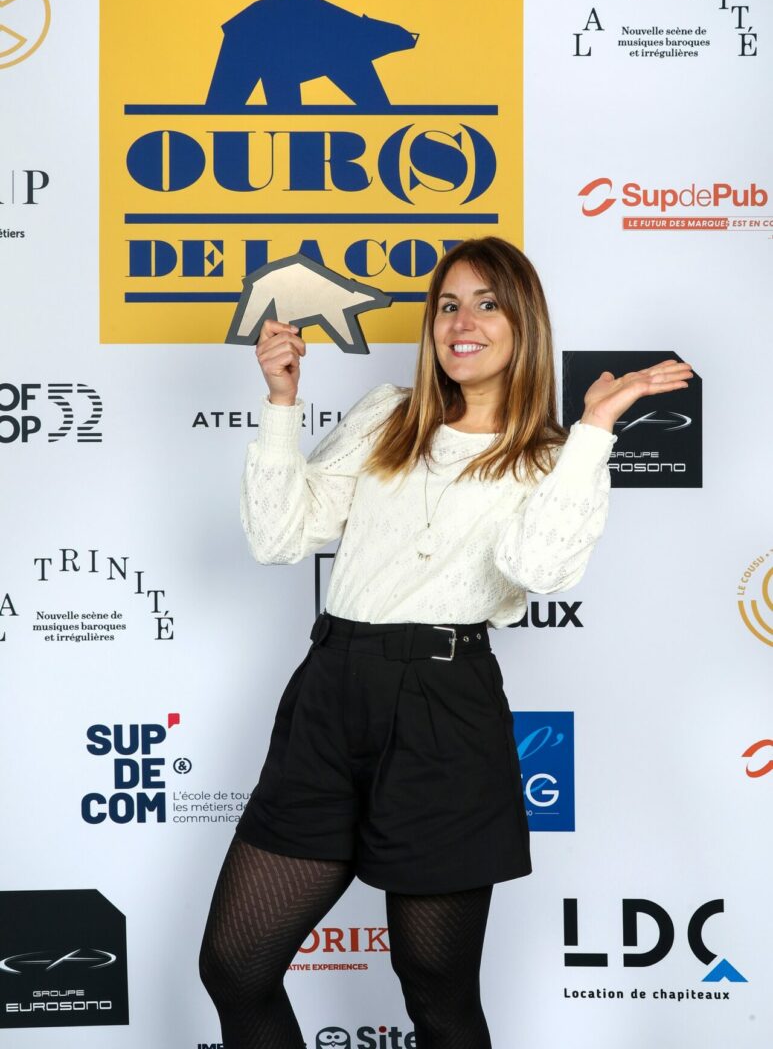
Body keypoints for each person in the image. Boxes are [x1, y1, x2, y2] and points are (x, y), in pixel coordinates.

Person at [199, 236, 693, 1048]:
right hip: (331, 693)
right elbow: (279, 537)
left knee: (436, 991)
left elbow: (538, 568)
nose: (463, 323)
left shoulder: (553, 458)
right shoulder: (385, 415)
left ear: (522, 323)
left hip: (443, 712)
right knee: (235, 964)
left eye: (487, 304)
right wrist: (281, 403)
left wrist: (594, 428)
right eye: (448, 305)